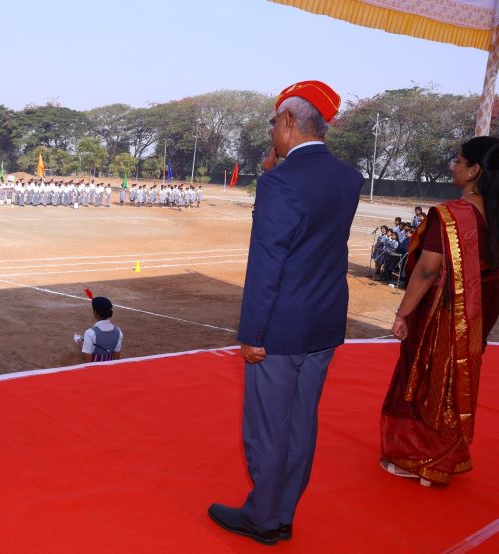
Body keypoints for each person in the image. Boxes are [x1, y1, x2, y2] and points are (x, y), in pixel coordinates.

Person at [207, 81, 362, 546]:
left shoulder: (279, 183)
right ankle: (285, 512)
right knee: (301, 424)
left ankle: (262, 517)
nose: (272, 130)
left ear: (290, 122)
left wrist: (253, 332)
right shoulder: (348, 178)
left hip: (280, 327)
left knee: (266, 428)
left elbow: (268, 262)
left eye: (275, 122)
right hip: (325, 321)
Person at [381, 136, 499, 487]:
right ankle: (446, 456)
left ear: (475, 170)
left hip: (442, 315)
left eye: (459, 161)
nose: (453, 166)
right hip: (477, 317)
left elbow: (428, 270)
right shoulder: (492, 215)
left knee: (423, 380)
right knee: (455, 383)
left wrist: (403, 313)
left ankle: (419, 457)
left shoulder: (452, 216)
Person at [75, 295, 123, 363]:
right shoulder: (118, 331)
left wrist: (80, 343)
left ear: (95, 313)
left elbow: (87, 360)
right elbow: (116, 357)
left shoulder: (90, 333)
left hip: (95, 371)